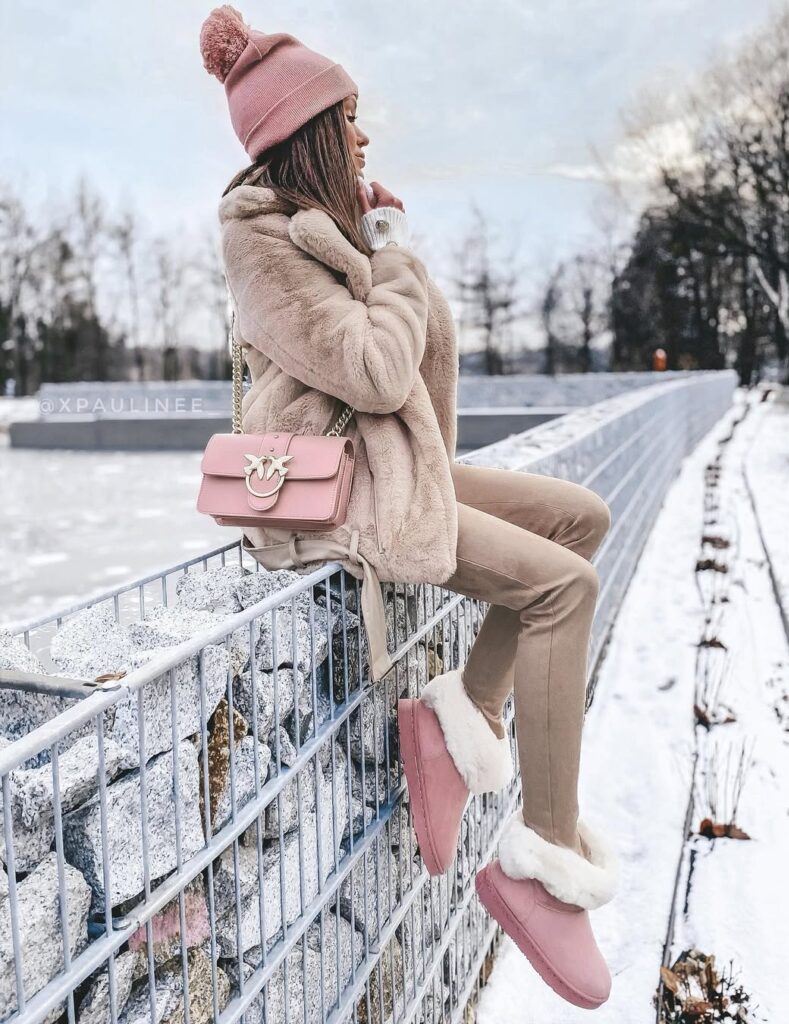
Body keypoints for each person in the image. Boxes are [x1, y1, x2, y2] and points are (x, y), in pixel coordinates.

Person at [200, 5, 619, 1010]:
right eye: (348, 119)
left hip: (393, 463)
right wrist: (390, 256)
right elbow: (377, 367)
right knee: (564, 588)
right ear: (305, 134)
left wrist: (380, 248)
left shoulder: (329, 228)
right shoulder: (260, 240)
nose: (363, 136)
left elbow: (404, 383)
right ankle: (541, 861)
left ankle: (459, 717)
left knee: (579, 518)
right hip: (339, 494)